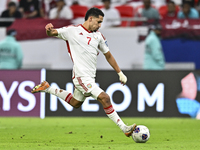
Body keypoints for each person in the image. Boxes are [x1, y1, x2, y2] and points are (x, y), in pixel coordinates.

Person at [31, 7, 136, 137]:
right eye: (98, 22)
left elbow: (108, 55)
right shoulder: (72, 31)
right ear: (90, 18)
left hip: (90, 77)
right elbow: (52, 33)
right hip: (81, 76)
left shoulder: (99, 36)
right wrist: (48, 30)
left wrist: (120, 73)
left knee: (75, 103)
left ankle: (47, 88)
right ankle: (124, 128)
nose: (100, 25)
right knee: (105, 98)